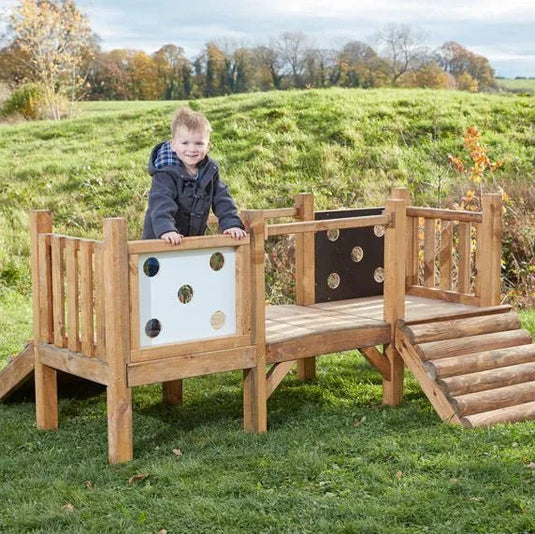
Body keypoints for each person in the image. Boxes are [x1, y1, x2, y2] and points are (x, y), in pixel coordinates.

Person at [142, 107, 246, 245]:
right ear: (173, 145)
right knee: (162, 259)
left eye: (199, 143)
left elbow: (222, 199)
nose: (192, 149)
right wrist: (166, 229)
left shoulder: (210, 171)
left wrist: (231, 224)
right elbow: (161, 203)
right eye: (185, 143)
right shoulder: (165, 173)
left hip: (191, 240)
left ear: (207, 146)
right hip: (161, 240)